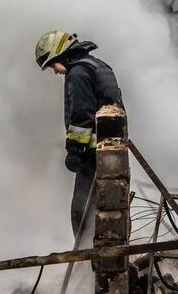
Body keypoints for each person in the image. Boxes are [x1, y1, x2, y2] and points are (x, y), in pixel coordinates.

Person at [35, 30, 125, 237]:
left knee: (81, 212)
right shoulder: (99, 66)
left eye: (52, 65)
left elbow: (82, 115)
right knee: (110, 209)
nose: (55, 71)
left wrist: (75, 151)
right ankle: (104, 258)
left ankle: (86, 262)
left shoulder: (77, 73)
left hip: (91, 155)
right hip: (113, 155)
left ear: (61, 55)